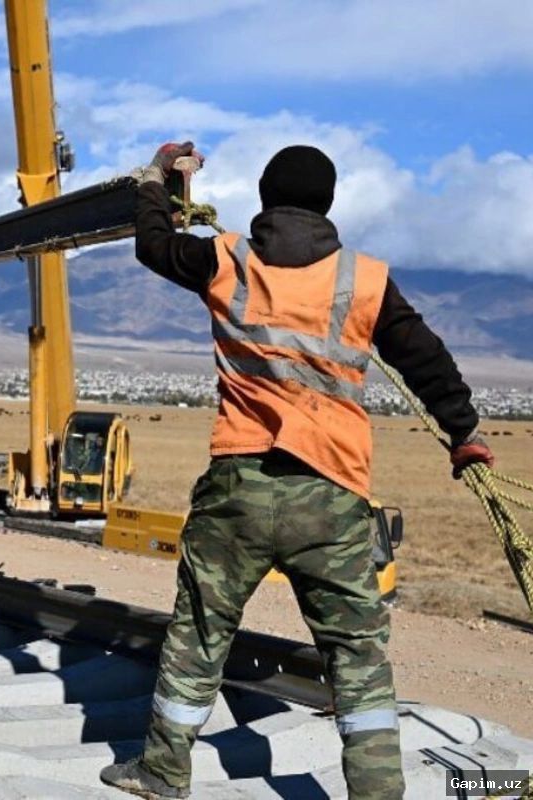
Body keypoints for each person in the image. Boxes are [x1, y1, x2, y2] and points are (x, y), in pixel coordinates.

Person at [99, 143, 495, 800]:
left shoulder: (225, 259)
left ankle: (163, 773)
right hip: (332, 496)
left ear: (264, 198)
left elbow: (153, 244)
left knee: (200, 632)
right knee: (357, 658)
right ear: (329, 203)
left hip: (239, 491)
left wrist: (157, 179)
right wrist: (465, 437)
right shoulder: (363, 280)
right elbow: (427, 360)